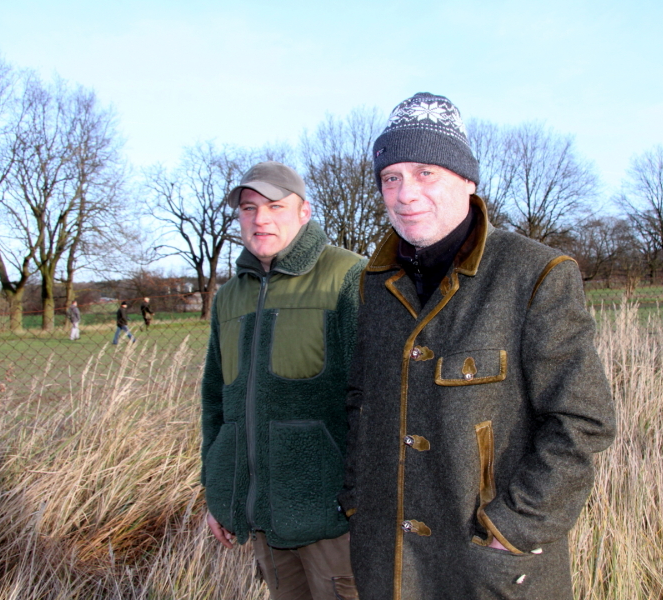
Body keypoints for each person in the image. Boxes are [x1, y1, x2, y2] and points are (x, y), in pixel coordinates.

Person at [340, 92, 616, 600]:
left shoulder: (535, 274)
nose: (405, 193)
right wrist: (357, 501)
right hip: (388, 566)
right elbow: (360, 402)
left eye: (426, 172)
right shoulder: (374, 284)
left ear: (468, 180)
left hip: (490, 569)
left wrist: (515, 526)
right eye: (391, 177)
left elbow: (583, 420)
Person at [201, 161, 365, 600]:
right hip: (265, 520)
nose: (261, 219)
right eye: (249, 208)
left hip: (333, 520)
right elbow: (217, 403)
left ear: (304, 211)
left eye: (275, 206)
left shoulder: (348, 277)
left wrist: (361, 501)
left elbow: (374, 400)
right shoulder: (229, 297)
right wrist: (219, 491)